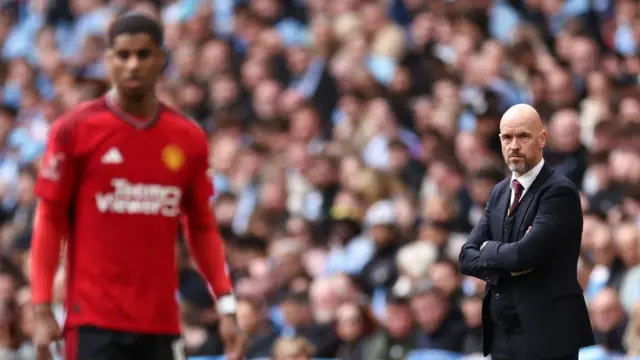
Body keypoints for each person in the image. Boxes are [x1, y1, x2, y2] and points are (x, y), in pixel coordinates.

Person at [29, 14, 245, 360]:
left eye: (143, 55)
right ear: (108, 60)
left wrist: (227, 304)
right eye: (123, 54)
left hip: (161, 323)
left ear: (161, 58)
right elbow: (50, 219)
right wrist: (40, 307)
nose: (133, 65)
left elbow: (202, 226)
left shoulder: (187, 138)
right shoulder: (75, 130)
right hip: (93, 322)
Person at [458, 104, 594, 360]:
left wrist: (489, 249)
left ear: (542, 139)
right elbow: (466, 257)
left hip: (548, 334)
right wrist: (504, 257)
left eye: (523, 136)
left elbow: (523, 255)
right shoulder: (499, 192)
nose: (514, 145)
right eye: (507, 138)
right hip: (502, 333)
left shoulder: (558, 191)